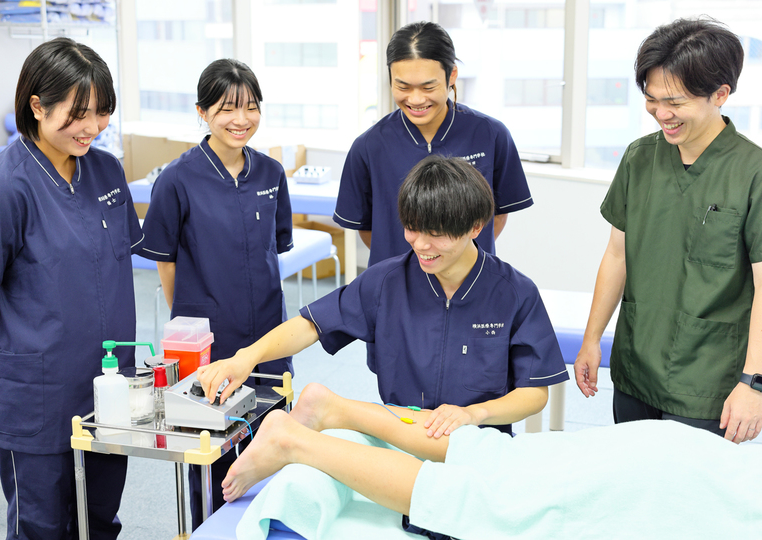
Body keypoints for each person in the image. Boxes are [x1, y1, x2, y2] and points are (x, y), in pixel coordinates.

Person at [199, 155, 568, 440]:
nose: (420, 245)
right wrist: (246, 357)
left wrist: (474, 414)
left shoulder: (515, 294)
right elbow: (312, 324)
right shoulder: (388, 281)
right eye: (412, 229)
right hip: (401, 434)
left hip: (477, 442)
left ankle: (325, 412)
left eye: (436, 234)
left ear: (475, 227)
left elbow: (534, 393)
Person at [0, 38, 142, 539]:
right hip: (36, 397)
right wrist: (24, 358)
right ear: (37, 106)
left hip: (108, 386)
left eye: (102, 112)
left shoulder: (106, 170)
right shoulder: (3, 188)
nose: (93, 127)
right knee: (42, 526)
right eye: (78, 113)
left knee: (100, 519)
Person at [222, 384, 761, 540]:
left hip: (682, 454)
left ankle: (334, 408)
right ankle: (296, 442)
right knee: (487, 505)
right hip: (679, 493)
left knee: (501, 458)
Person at [573, 18, 762, 443]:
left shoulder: (753, 174)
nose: (661, 114)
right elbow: (617, 255)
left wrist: (753, 383)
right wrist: (591, 339)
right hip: (636, 369)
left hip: (709, 382)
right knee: (630, 478)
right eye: (651, 99)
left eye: (675, 102)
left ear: (720, 94)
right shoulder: (639, 158)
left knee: (689, 486)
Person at [138, 58, 294, 529]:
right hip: (207, 341)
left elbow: (273, 249)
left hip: (268, 335)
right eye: (227, 108)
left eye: (251, 107)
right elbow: (166, 262)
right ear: (202, 112)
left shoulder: (271, 174)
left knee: (273, 445)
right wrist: (188, 319)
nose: (241, 119)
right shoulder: (176, 180)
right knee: (211, 459)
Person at [333, 21, 532, 267]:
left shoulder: (491, 135)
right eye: (403, 86)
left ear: (452, 76)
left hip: (468, 278)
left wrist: (456, 258)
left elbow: (498, 215)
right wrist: (412, 264)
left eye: (428, 87)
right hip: (395, 280)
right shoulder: (368, 147)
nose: (416, 99)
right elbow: (367, 228)